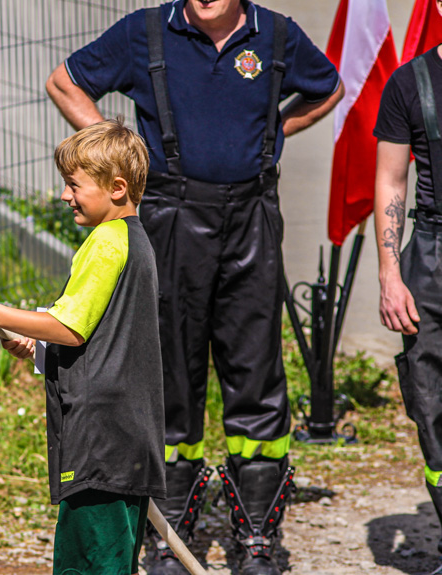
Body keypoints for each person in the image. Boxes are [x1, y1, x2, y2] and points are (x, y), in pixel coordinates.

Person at [45, 1, 343, 574]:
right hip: (171, 212)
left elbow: (327, 87)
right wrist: (122, 159)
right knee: (170, 368)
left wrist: (276, 129)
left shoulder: (276, 35)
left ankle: (257, 537)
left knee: (256, 369)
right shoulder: (147, 31)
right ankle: (169, 532)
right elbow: (64, 82)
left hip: (252, 211)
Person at [0, 118, 166, 575]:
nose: (65, 196)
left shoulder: (105, 243)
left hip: (100, 441)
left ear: (117, 188)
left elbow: (70, 328)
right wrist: (38, 346)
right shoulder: (135, 242)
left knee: (87, 565)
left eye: (73, 185)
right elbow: (106, 335)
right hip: (127, 437)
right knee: (113, 560)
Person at [374, 7, 442, 570]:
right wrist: (390, 274)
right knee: (431, 404)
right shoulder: (408, 82)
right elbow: (391, 179)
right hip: (432, 257)